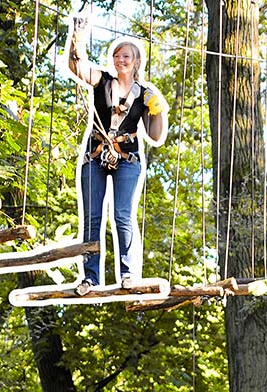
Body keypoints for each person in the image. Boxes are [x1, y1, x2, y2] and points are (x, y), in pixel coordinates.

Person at [67, 17, 168, 295]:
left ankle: (128, 274)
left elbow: (156, 136)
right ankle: (90, 278)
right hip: (95, 155)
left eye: (126, 55)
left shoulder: (145, 94)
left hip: (127, 159)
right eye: (116, 55)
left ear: (136, 61)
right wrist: (77, 36)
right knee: (92, 218)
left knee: (123, 215)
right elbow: (76, 66)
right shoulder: (103, 81)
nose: (120, 59)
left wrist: (157, 110)